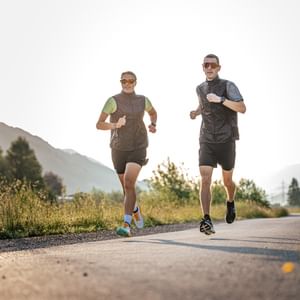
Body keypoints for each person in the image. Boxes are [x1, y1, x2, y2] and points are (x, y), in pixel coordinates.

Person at [190, 54, 246, 235]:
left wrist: (221, 100)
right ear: (202, 67)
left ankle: (230, 202)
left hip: (226, 139)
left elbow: (242, 108)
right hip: (206, 138)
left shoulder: (228, 85)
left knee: (227, 181)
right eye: (206, 64)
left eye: (213, 65)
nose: (209, 67)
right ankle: (206, 219)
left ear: (218, 67)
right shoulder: (200, 88)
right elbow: (204, 105)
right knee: (205, 178)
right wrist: (196, 112)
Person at [96, 71, 157, 237]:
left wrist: (153, 124)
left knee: (130, 183)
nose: (127, 84)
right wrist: (115, 124)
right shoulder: (113, 101)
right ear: (120, 82)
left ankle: (126, 225)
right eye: (124, 81)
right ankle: (135, 208)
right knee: (125, 188)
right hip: (118, 148)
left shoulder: (143, 100)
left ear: (135, 82)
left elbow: (153, 112)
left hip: (138, 146)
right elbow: (99, 124)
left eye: (131, 81)